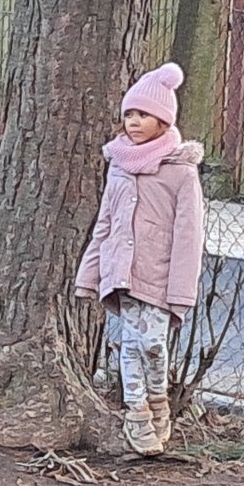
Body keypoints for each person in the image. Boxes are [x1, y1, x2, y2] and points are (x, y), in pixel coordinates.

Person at [74, 61, 207, 456]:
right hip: (122, 275)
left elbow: (189, 235)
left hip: (159, 278)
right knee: (129, 344)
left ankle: (159, 403)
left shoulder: (181, 172)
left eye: (143, 115)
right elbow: (105, 223)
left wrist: (181, 290)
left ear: (163, 121)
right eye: (129, 114)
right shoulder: (118, 165)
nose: (133, 122)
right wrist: (89, 275)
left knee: (153, 344)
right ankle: (136, 414)